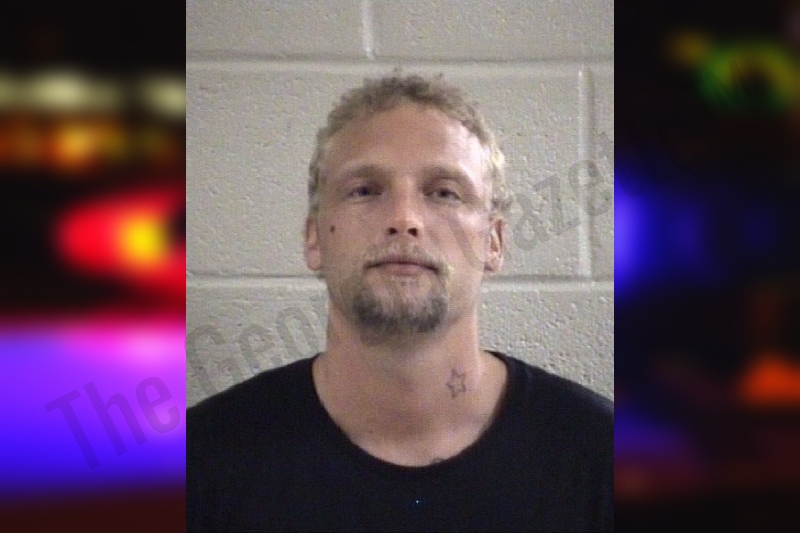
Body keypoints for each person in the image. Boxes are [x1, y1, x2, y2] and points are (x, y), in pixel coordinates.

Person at [187, 73, 613, 532]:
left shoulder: (602, 456)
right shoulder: (200, 461)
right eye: (365, 190)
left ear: (493, 242)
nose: (404, 218)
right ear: (314, 238)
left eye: (444, 192)